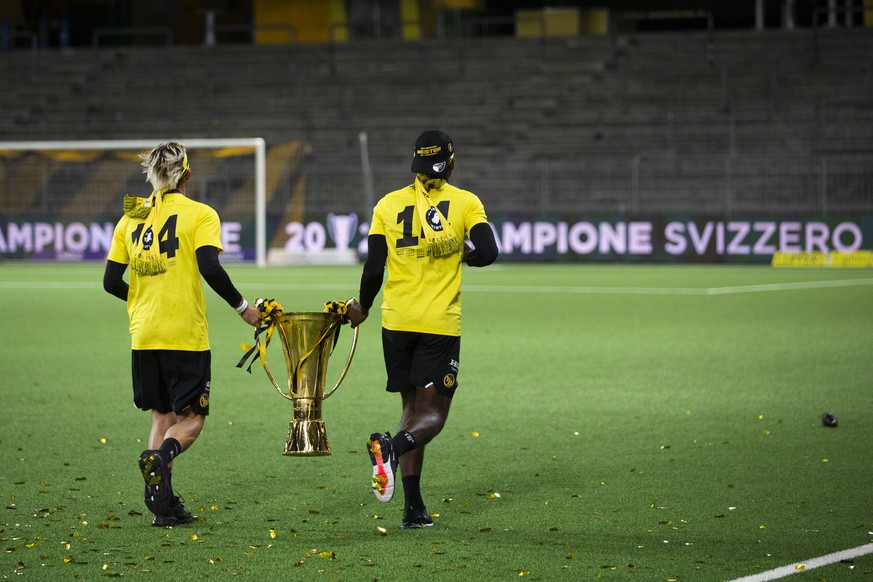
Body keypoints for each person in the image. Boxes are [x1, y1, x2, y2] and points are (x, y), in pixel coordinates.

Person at [103, 141, 262, 527]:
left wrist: (141, 299)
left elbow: (111, 282)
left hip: (144, 334)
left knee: (161, 413)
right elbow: (210, 266)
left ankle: (164, 507)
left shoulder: (131, 218)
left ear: (152, 175)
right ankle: (162, 458)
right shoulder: (201, 214)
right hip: (184, 334)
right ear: (187, 174)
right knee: (191, 420)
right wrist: (244, 308)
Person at [346, 130, 499, 529]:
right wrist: (468, 254)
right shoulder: (466, 203)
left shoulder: (387, 204)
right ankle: (390, 450)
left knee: (411, 411)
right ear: (451, 162)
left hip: (395, 323)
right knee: (433, 417)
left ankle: (413, 509)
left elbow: (373, 267)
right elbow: (490, 251)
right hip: (437, 325)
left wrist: (362, 305)